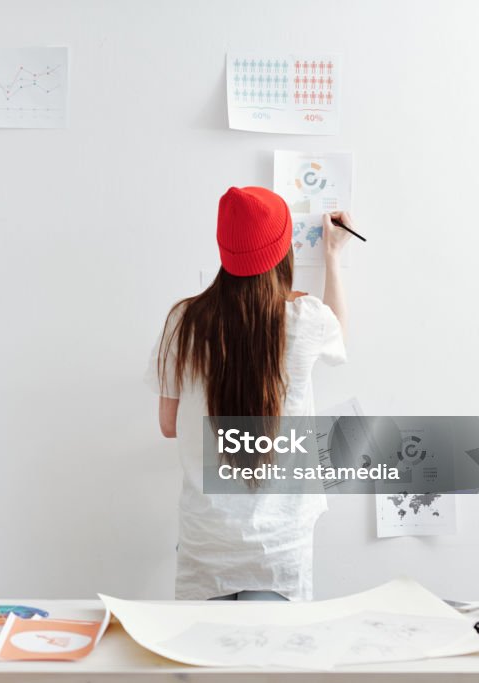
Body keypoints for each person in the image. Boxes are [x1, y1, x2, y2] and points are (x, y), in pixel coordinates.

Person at [147, 186, 353, 601]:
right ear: (283, 250)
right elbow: (338, 336)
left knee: (203, 659)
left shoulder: (183, 321)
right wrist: (332, 255)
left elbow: (169, 426)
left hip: (206, 543)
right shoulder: (306, 319)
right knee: (272, 661)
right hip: (281, 542)